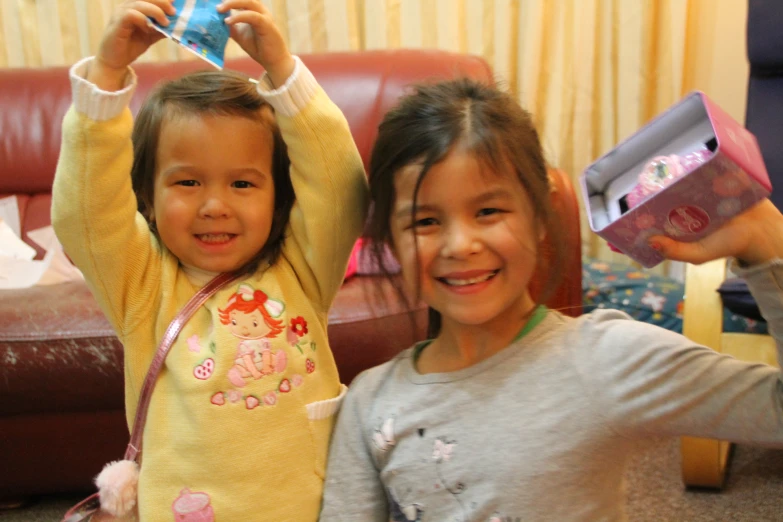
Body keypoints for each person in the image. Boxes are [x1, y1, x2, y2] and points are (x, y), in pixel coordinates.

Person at [318, 78, 783, 522]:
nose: (460, 245)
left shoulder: (605, 359)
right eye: (424, 222)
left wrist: (768, 244)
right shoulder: (369, 403)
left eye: (488, 212)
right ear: (390, 242)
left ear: (541, 213)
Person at [51, 0, 367, 519]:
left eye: (243, 183)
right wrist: (106, 80)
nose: (215, 205)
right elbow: (84, 212)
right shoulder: (141, 281)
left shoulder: (304, 269)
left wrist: (284, 72)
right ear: (147, 198)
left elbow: (339, 188)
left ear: (278, 198)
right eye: (187, 181)